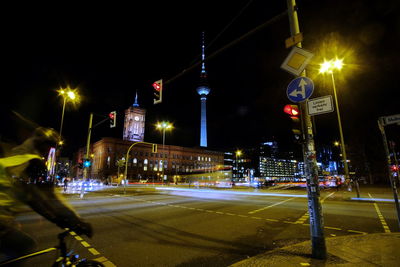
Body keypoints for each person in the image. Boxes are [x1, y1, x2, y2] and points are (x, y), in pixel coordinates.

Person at [0, 127, 92, 264]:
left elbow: (34, 201)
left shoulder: (14, 158)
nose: (52, 151)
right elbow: (51, 198)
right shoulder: (32, 162)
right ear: (42, 144)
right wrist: (76, 220)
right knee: (25, 245)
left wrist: (56, 219)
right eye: (51, 146)